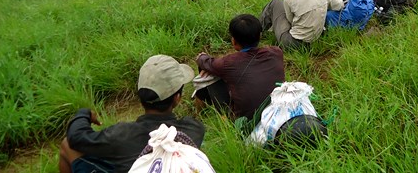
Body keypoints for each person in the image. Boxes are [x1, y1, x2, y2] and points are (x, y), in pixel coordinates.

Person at [58, 55, 205, 173]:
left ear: (140, 97)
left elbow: (76, 138)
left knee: (67, 144)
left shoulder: (121, 134)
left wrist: (84, 114)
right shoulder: (193, 129)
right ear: (177, 98)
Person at [195, 14, 285, 121]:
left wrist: (202, 56)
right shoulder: (276, 52)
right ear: (260, 36)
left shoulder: (229, 62)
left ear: (233, 41)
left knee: (207, 71)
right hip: (278, 113)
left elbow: (204, 62)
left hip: (245, 122)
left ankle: (201, 116)